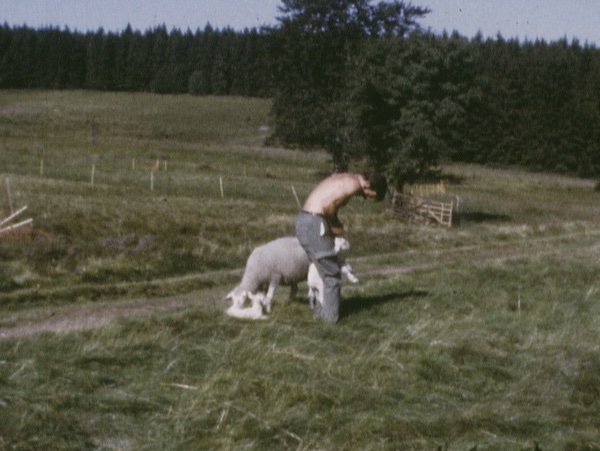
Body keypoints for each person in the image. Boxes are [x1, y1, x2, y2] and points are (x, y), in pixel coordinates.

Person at [295, 171, 388, 323]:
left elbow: (331, 201)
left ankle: (318, 312)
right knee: (332, 276)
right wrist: (336, 223)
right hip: (315, 223)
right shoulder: (354, 184)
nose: (365, 198)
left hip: (304, 219)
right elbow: (328, 204)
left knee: (321, 271)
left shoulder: (345, 177)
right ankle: (330, 318)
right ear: (369, 185)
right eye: (370, 195)